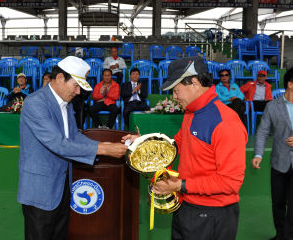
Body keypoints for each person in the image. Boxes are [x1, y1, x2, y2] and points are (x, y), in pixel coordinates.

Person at [122, 56, 247, 240]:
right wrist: (144, 142)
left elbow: (230, 182)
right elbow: (177, 145)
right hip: (186, 204)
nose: (174, 96)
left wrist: (179, 185)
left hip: (212, 213)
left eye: (176, 90)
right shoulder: (191, 112)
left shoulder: (225, 122)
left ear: (194, 83)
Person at [17, 56, 127, 240]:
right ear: (60, 78)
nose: (77, 92)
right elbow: (58, 143)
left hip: (62, 186)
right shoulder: (35, 103)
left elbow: (74, 136)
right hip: (40, 190)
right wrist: (104, 150)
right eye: (76, 86)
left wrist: (103, 144)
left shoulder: (65, 103)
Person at [252, 69, 293, 240]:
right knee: (278, 202)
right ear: (290, 84)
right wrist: (258, 155)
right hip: (278, 162)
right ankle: (281, 235)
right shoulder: (272, 106)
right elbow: (262, 132)